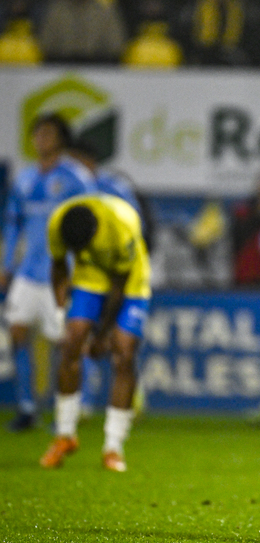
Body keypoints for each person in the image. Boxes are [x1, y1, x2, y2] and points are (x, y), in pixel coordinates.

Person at [40, 194, 151, 472]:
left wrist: (103, 335)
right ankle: (64, 435)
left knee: (124, 352)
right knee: (72, 341)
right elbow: (58, 266)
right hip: (89, 277)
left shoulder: (121, 224)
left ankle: (113, 447)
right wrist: (59, 310)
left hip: (130, 281)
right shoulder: (58, 222)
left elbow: (119, 285)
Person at [0, 114, 95, 431]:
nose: (41, 138)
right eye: (37, 133)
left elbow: (90, 224)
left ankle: (63, 410)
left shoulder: (76, 178)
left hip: (61, 273)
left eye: (48, 133)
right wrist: (7, 265)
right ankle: (27, 407)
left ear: (61, 139)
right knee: (17, 334)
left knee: (64, 345)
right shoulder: (24, 179)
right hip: (27, 272)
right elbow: (14, 224)